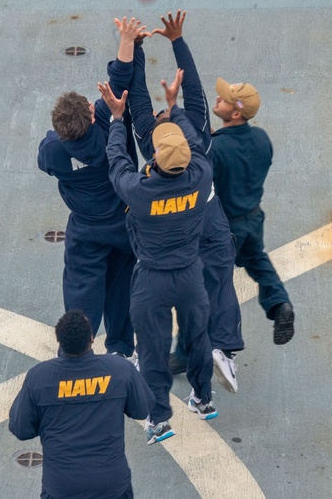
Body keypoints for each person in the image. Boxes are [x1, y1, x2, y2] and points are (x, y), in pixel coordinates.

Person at [99, 65, 218, 446]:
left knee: (152, 350)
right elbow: (196, 142)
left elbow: (117, 162)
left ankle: (160, 419)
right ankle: (203, 398)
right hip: (190, 274)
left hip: (151, 279)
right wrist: (175, 107)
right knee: (198, 339)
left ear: (155, 158)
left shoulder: (140, 191)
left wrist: (117, 119)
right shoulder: (201, 175)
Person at [128, 10, 243, 393]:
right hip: (208, 216)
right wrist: (177, 39)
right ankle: (222, 348)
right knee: (220, 279)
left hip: (172, 229)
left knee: (162, 292)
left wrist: (135, 50)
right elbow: (193, 88)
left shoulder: (149, 142)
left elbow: (137, 100)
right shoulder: (198, 135)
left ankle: (152, 355)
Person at [37, 20, 140, 362]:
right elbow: (120, 80)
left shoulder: (53, 150)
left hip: (85, 229)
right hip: (124, 224)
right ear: (92, 116)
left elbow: (46, 161)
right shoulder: (110, 133)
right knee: (122, 287)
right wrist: (127, 39)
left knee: (81, 292)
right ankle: (121, 351)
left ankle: (75, 354)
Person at [9, 309, 155, 499]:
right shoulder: (120, 370)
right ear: (92, 339)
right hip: (111, 486)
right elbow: (142, 409)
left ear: (60, 341)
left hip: (61, 488)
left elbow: (21, 428)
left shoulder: (38, 377)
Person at [211, 78, 295, 344]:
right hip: (253, 219)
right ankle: (279, 303)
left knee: (209, 286)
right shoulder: (261, 138)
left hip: (226, 228)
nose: (217, 99)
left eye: (224, 99)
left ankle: (187, 353)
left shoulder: (217, 147)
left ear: (236, 113)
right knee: (257, 259)